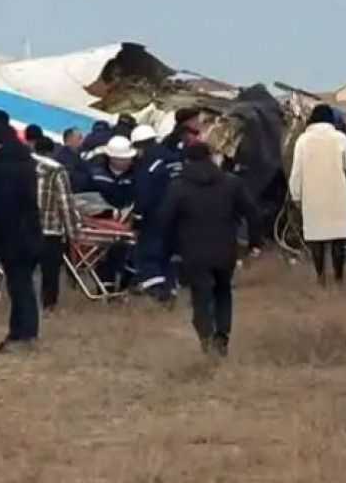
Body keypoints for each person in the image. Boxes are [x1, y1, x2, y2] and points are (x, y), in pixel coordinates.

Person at [158, 143, 257, 356]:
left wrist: (168, 250)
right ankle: (222, 336)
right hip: (225, 249)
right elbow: (252, 212)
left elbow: (165, 221)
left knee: (201, 296)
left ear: (186, 160)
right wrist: (254, 242)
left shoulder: (178, 187)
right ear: (211, 157)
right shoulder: (232, 183)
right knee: (223, 291)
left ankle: (206, 338)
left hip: (192, 252)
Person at [0, 124, 41, 351]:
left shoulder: (3, 168)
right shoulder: (24, 161)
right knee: (22, 284)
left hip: (14, 236)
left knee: (19, 286)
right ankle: (21, 333)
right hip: (30, 233)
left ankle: (23, 335)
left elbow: (2, 205)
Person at [289, 105, 346, 286]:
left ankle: (321, 278)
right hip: (337, 195)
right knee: (338, 238)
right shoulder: (340, 138)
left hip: (313, 197)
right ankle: (339, 278)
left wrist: (296, 195)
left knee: (316, 238)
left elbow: (296, 172)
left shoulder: (303, 140)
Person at [32, 137, 80, 313]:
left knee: (25, 271)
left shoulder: (23, 166)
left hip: (25, 229)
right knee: (50, 272)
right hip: (50, 230)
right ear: (52, 152)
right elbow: (65, 203)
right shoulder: (57, 170)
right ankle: (48, 306)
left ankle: (26, 304)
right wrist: (73, 233)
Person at [130, 125, 173, 302]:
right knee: (167, 253)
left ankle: (156, 291)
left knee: (149, 252)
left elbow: (144, 195)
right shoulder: (171, 158)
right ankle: (170, 287)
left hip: (154, 216)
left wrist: (137, 219)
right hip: (176, 213)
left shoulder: (148, 165)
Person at [89, 137, 138, 212]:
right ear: (112, 158)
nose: (129, 161)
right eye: (123, 159)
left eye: (130, 158)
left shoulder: (136, 174)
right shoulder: (96, 176)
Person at [55, 127, 92, 193]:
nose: (83, 140)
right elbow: (73, 180)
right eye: (80, 138)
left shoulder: (76, 155)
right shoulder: (64, 157)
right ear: (69, 140)